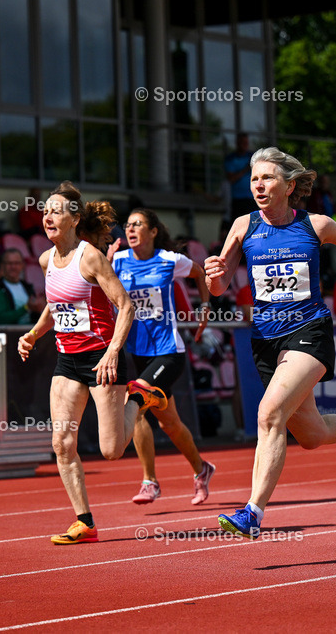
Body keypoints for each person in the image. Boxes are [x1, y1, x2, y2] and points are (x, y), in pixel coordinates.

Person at [204, 146, 336, 539]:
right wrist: (212, 275)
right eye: (254, 179)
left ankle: (252, 513)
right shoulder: (242, 226)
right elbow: (220, 286)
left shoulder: (317, 225)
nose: (258, 185)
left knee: (269, 414)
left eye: (267, 178)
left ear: (289, 186)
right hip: (266, 340)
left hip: (309, 331)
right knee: (312, 435)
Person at [17, 182, 143, 544]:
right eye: (45, 211)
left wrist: (113, 351)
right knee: (62, 442)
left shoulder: (90, 257)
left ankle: (138, 398)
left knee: (111, 450)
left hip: (101, 358)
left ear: (74, 219)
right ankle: (84, 522)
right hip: (67, 361)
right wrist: (33, 334)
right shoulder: (46, 260)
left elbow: (126, 306)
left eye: (56, 211)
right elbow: (56, 305)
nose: (47, 217)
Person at [112, 207, 216, 506]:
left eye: (138, 224)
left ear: (153, 231)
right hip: (138, 352)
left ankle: (150, 482)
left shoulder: (170, 260)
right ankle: (202, 469)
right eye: (128, 225)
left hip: (168, 352)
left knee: (135, 402)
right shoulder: (118, 261)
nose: (131, 229)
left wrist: (205, 307)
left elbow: (199, 272)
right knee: (169, 424)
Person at [224, 132, 256, 218]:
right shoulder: (231, 158)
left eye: (246, 143)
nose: (245, 145)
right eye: (243, 143)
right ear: (237, 143)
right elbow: (231, 179)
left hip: (252, 198)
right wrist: (245, 169)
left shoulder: (252, 157)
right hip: (238, 199)